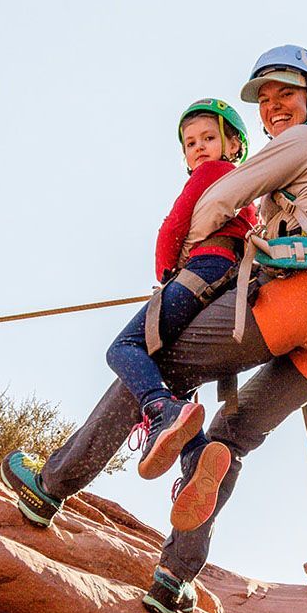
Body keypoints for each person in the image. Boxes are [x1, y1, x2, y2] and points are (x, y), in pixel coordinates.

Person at [1, 46, 307, 613]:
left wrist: (184, 258)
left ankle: (50, 484)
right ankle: (174, 579)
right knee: (230, 440)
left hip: (299, 299)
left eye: (286, 94)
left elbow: (219, 200)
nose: (274, 108)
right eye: (266, 99)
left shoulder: (303, 142)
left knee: (162, 362)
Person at [104, 98, 256, 530]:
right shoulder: (247, 192)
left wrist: (166, 271)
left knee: (124, 348)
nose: (200, 148)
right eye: (191, 143)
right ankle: (196, 458)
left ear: (234, 144)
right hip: (230, 284)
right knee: (174, 373)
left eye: (210, 138)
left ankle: (159, 410)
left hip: (200, 270)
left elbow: (173, 225)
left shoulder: (212, 175)